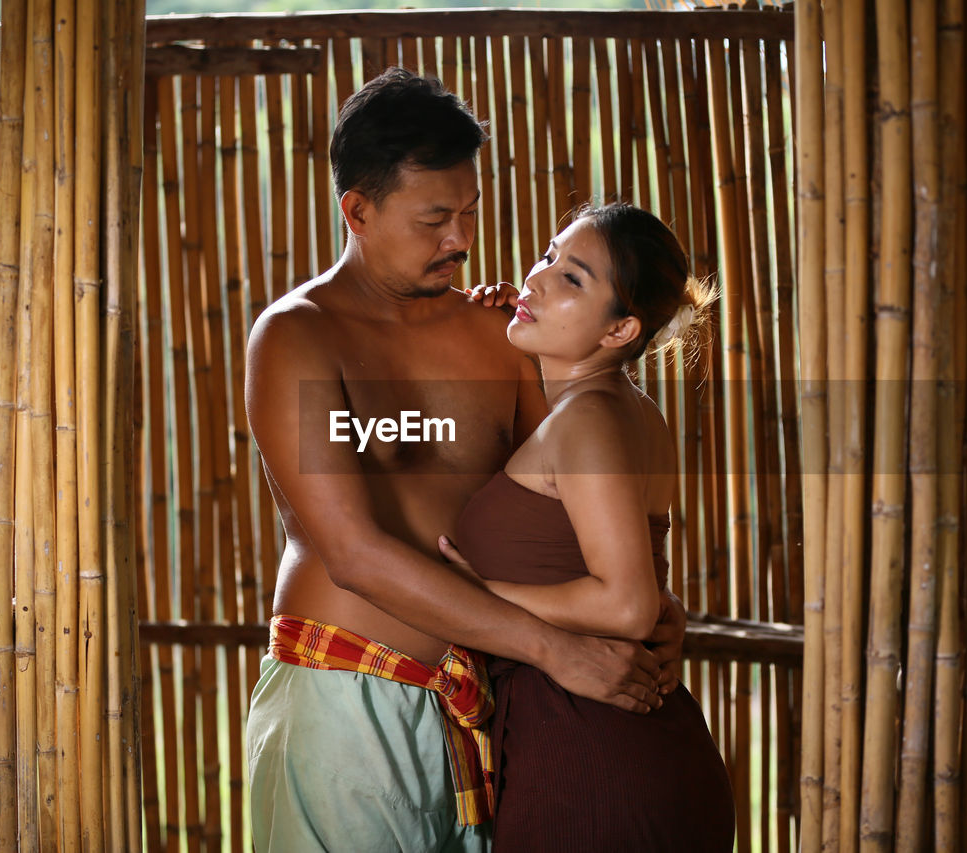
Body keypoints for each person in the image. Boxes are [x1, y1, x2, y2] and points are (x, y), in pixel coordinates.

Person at [244, 68, 686, 852]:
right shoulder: (297, 338)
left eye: (470, 212)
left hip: (489, 708)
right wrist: (557, 648)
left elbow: (571, 511)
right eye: (435, 219)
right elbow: (353, 554)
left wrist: (655, 616)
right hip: (344, 702)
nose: (463, 239)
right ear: (359, 210)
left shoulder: (498, 336)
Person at [440, 203, 736, 851]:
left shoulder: (587, 421)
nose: (537, 279)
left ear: (620, 329)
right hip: (626, 746)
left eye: (572, 279)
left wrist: (476, 594)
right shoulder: (624, 410)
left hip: (593, 764)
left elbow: (628, 603)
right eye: (546, 256)